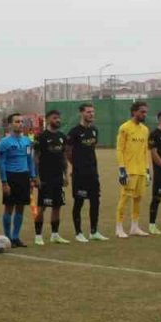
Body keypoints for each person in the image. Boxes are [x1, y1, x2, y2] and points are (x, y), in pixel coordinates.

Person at [66, 103, 106, 242]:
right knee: (79, 202)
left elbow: (91, 149)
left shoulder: (94, 130)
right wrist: (76, 165)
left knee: (95, 202)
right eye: (88, 112)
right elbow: (68, 151)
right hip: (79, 174)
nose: (91, 114)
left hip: (93, 173)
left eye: (93, 112)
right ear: (81, 113)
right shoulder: (74, 132)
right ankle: (78, 233)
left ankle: (94, 232)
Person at [0, 113, 36, 247]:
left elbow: (29, 160)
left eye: (21, 121)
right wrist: (4, 182)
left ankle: (15, 237)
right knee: (9, 208)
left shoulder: (27, 141)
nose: (20, 124)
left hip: (24, 177)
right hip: (11, 177)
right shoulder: (4, 143)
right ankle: (7, 237)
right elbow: (1, 163)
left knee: (21, 208)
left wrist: (32, 177)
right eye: (17, 121)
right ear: (10, 124)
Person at [114, 100, 151, 238]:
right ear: (134, 112)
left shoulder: (145, 129)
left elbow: (145, 151)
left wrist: (147, 169)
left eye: (145, 112)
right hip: (129, 170)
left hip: (141, 170)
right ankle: (119, 228)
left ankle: (134, 227)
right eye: (142, 111)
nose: (144, 114)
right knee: (125, 198)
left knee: (138, 199)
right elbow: (120, 149)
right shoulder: (124, 128)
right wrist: (122, 169)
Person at [33, 109, 70, 245]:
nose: (58, 120)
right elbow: (36, 158)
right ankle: (38, 236)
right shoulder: (41, 137)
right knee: (42, 206)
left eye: (59, 118)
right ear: (48, 120)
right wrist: (36, 176)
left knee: (57, 205)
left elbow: (63, 157)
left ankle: (55, 235)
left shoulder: (62, 136)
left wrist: (65, 175)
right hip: (45, 177)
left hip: (58, 177)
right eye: (55, 118)